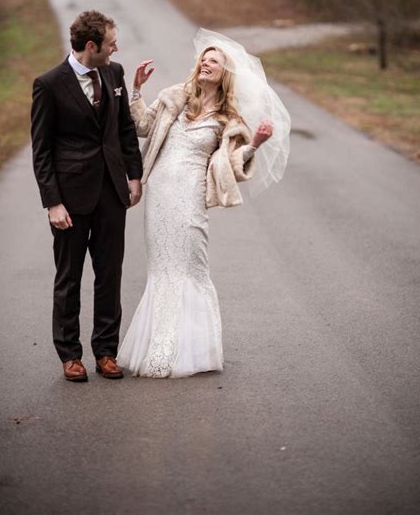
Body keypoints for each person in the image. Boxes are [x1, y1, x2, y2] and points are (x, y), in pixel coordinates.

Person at [117, 29, 290, 378]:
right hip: (160, 197)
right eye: (204, 59)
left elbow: (231, 165)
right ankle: (158, 348)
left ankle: (193, 351)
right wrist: (136, 89)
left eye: (214, 61)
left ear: (225, 73)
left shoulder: (228, 119)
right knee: (162, 270)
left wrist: (254, 143)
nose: (206, 64)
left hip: (190, 199)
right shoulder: (173, 98)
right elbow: (142, 125)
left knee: (189, 269)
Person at [31, 10, 143, 382]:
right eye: (111, 43)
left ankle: (106, 351)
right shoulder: (48, 84)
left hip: (112, 191)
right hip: (70, 198)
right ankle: (70, 354)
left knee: (110, 273)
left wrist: (134, 175)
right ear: (91, 46)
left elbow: (125, 129)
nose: (117, 48)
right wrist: (52, 202)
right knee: (69, 277)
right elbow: (42, 150)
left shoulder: (114, 73)